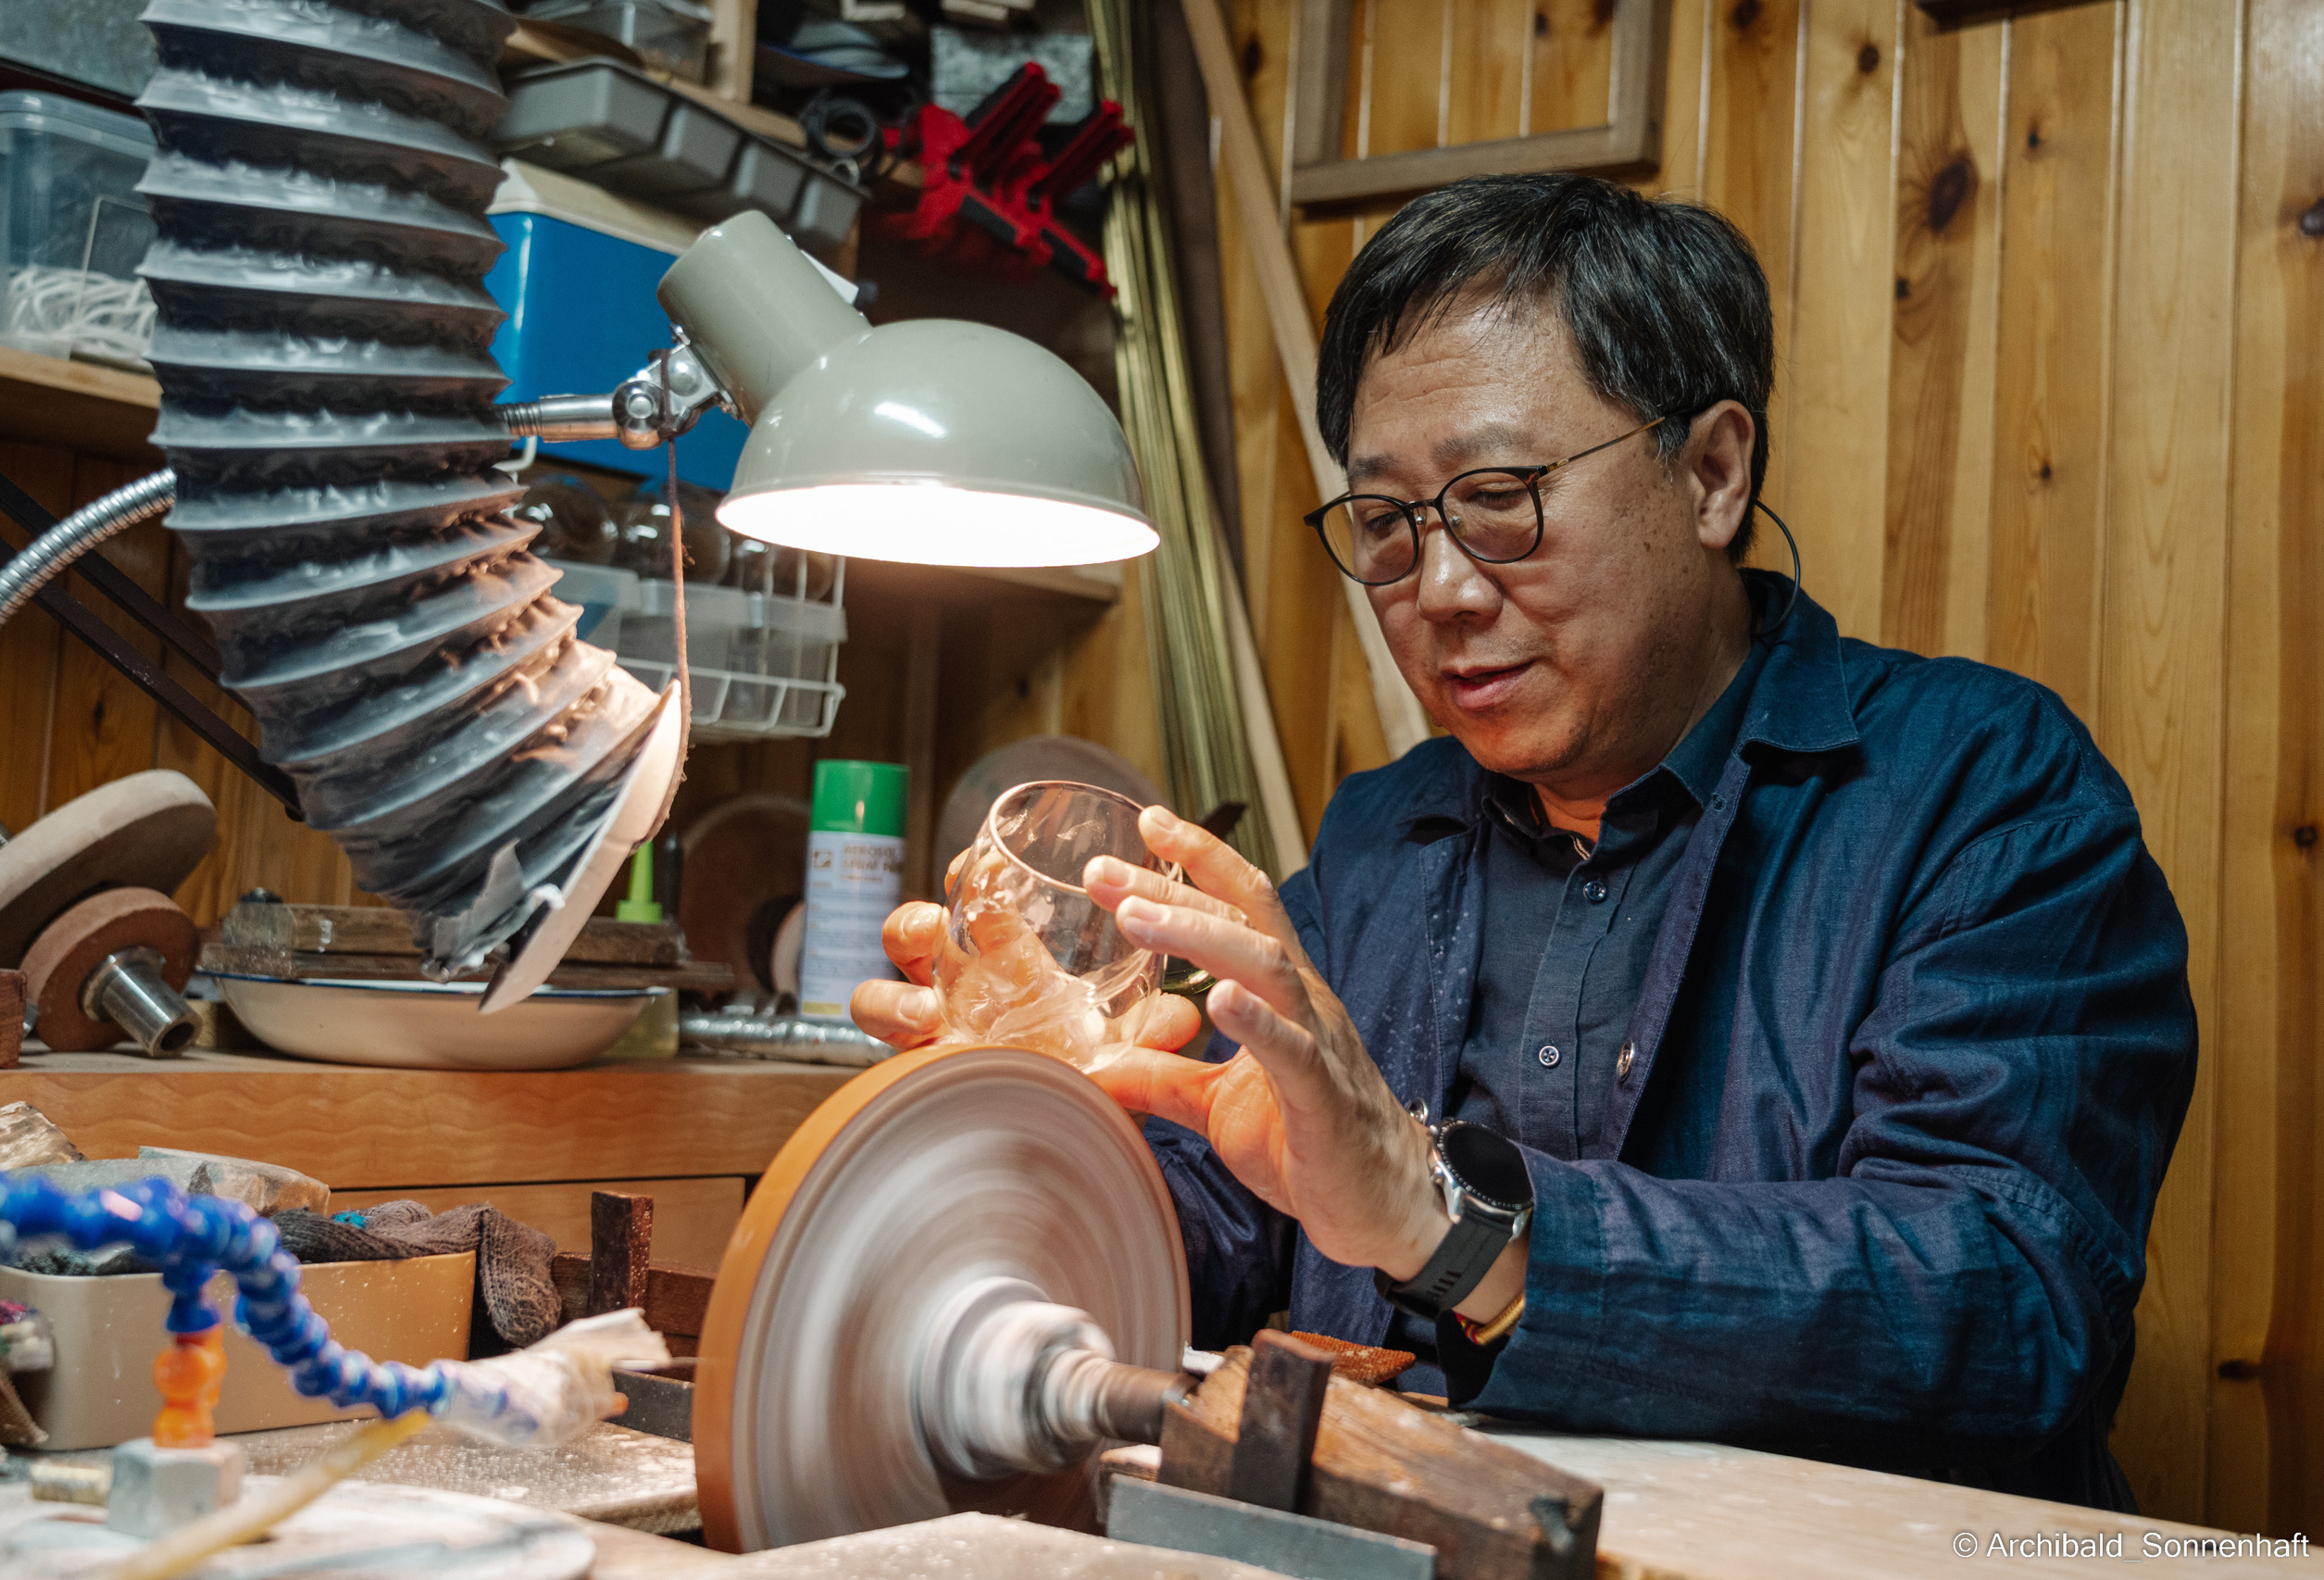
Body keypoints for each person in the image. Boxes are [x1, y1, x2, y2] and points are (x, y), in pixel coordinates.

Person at [854, 173, 2195, 1511]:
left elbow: (2009, 1294)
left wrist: (1447, 1220)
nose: (1438, 591)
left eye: (1500, 496)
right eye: (1386, 524)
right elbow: (1232, 1218)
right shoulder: (1386, 840)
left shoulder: (1982, 789)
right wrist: (1032, 1134)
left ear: (1713, 472)